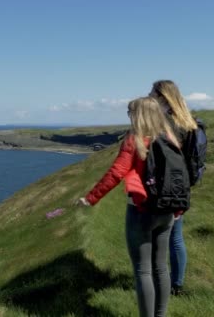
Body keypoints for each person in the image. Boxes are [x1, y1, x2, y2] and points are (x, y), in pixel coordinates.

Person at [76, 97, 180, 317]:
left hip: (141, 210)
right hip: (167, 211)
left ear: (138, 114)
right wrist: (178, 209)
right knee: (160, 267)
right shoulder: (170, 137)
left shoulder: (135, 140)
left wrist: (90, 198)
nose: (129, 116)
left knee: (143, 270)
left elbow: (116, 173)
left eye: (130, 112)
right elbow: (180, 175)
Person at [149, 80, 198, 296]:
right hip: (182, 187)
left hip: (166, 188)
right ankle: (176, 283)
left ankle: (162, 284)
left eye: (152, 93)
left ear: (162, 97)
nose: (149, 96)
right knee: (175, 237)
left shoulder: (164, 123)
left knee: (160, 237)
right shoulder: (187, 122)